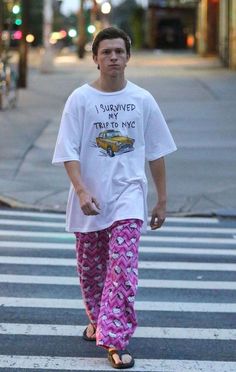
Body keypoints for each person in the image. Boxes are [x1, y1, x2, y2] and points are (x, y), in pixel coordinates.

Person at [52, 27, 176, 370]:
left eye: (119, 52)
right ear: (95, 59)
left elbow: (157, 152)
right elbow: (68, 151)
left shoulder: (142, 100)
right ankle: (97, 321)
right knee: (91, 272)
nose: (113, 58)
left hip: (128, 198)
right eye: (106, 52)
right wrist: (80, 189)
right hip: (90, 200)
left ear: (128, 57)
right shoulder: (80, 99)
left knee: (122, 270)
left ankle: (115, 340)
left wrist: (162, 200)